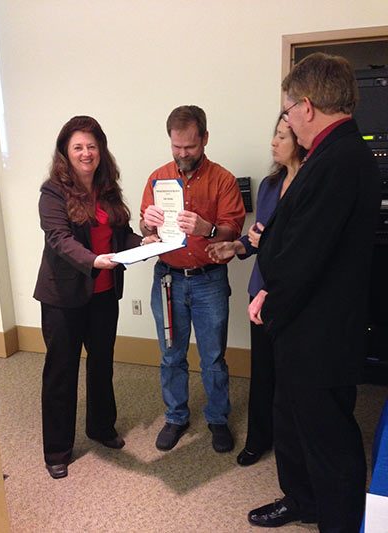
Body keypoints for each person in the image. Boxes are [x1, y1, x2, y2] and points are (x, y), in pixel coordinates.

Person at [246, 53, 380, 532]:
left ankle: (337, 522)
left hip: (320, 332)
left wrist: (271, 296)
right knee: (293, 421)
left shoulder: (338, 159)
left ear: (305, 106)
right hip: (304, 328)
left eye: (286, 110)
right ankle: (301, 500)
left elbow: (305, 255)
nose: (285, 120)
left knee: (330, 442)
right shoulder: (332, 153)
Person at [34, 115, 154, 479]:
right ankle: (57, 448)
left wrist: (143, 242)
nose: (86, 153)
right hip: (64, 297)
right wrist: (94, 260)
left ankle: (100, 427)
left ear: (100, 149)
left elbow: (121, 236)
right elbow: (59, 240)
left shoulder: (108, 189)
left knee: (102, 364)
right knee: (61, 371)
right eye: (78, 147)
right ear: (65, 153)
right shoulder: (53, 193)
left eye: (91, 146)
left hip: (104, 293)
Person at [140, 105, 245, 453]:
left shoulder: (223, 180)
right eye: (176, 147)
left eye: (190, 147)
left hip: (208, 279)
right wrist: (148, 224)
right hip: (168, 279)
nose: (183, 154)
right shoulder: (158, 178)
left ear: (204, 139)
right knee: (171, 354)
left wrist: (208, 229)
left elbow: (232, 230)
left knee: (213, 356)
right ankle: (176, 417)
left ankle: (217, 418)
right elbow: (145, 226)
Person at [206, 114, 305, 466]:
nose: (273, 142)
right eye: (274, 135)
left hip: (293, 293)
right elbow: (257, 237)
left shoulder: (312, 185)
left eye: (281, 136)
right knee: (262, 370)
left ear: (303, 138)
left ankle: (294, 442)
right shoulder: (268, 185)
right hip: (260, 289)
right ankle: (259, 439)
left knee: (293, 375)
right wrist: (236, 248)